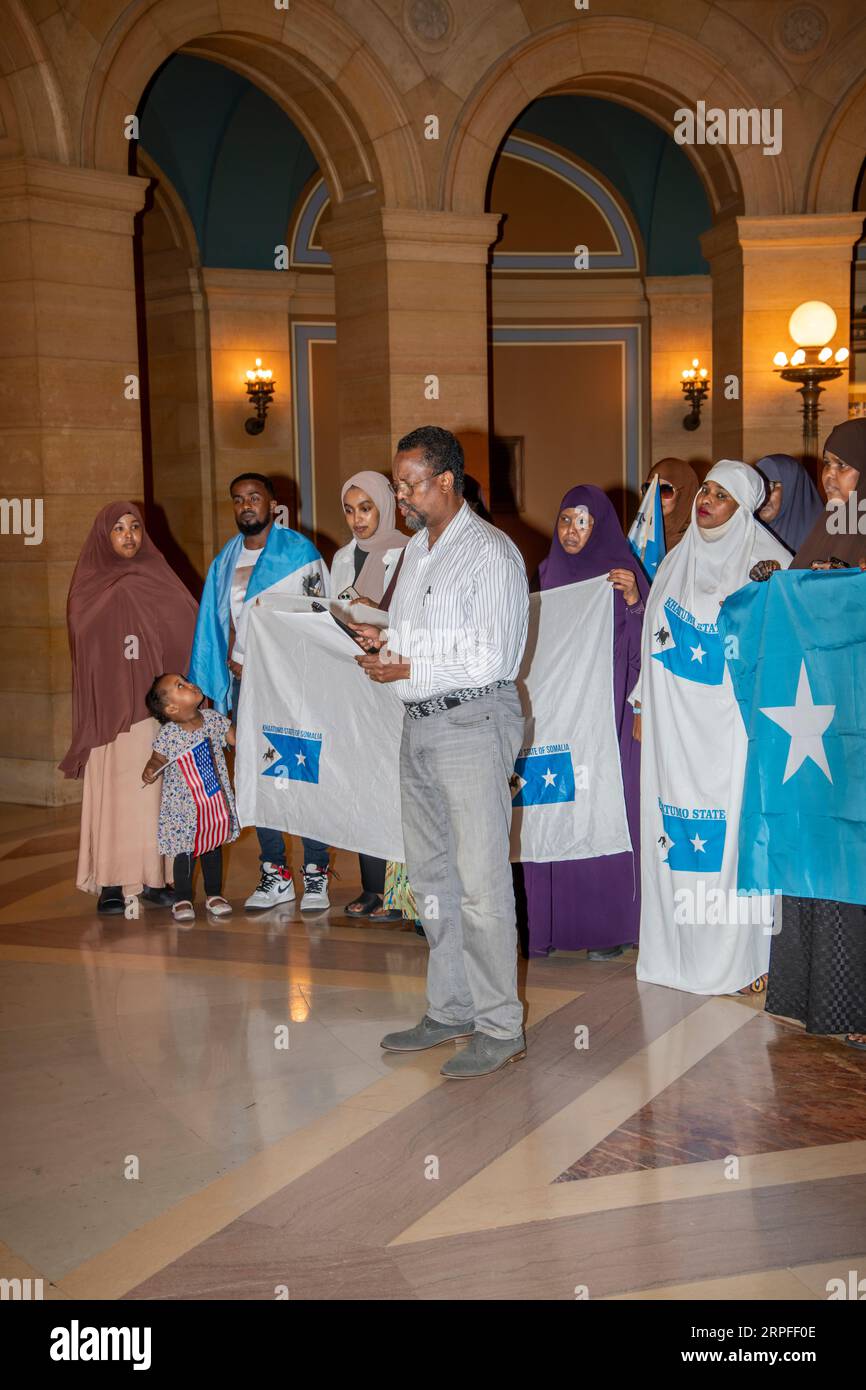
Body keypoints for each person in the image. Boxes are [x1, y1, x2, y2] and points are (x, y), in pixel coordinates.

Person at [350, 425, 529, 1079]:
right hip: (419, 728)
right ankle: (450, 1008)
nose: (400, 496)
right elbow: (424, 639)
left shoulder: (491, 552)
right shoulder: (419, 553)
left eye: (410, 484)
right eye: (397, 484)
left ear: (447, 482)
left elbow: (494, 656)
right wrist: (383, 641)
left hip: (471, 724)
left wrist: (407, 668)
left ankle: (499, 1025)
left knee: (480, 886)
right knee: (431, 882)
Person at [633, 461, 791, 995]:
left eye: (721, 495)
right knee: (677, 837)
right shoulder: (677, 562)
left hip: (734, 732)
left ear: (742, 508)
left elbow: (785, 653)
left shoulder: (771, 565)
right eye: (705, 489)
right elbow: (651, 643)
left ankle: (748, 955)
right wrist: (640, 705)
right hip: (675, 733)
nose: (706, 500)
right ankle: (677, 952)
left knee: (735, 840)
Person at [757, 421, 866, 1049]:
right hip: (819, 729)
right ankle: (810, 991)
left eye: (843, 467)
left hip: (856, 727)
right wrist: (785, 583)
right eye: (825, 465)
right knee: (818, 849)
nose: (830, 478)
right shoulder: (829, 528)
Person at [189, 474, 332, 911]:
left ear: (273, 504)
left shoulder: (300, 554)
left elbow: (318, 619)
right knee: (258, 774)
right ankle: (276, 873)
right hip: (244, 685)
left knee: (301, 770)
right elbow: (216, 626)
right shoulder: (224, 562)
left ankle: (317, 872)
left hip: (292, 684)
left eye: (254, 498)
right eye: (238, 500)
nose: (246, 506)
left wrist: (270, 661)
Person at [523, 486, 648, 959]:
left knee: (603, 809)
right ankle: (550, 925)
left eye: (583, 521)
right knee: (552, 807)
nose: (571, 530)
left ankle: (606, 928)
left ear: (601, 527)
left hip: (608, 711)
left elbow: (649, 645)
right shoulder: (546, 573)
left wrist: (635, 600)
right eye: (565, 519)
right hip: (557, 712)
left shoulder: (623, 575)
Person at [60, 501, 198, 913]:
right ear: (104, 536)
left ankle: (156, 879)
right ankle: (112, 882)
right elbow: (82, 642)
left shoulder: (158, 576)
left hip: (152, 711)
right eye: (118, 528)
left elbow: (188, 619)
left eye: (135, 527)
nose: (128, 535)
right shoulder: (89, 585)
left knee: (156, 795)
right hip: (111, 713)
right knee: (115, 796)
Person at [330, 471, 408, 921]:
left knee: (394, 783)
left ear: (385, 505)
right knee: (363, 781)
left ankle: (401, 892)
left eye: (366, 508)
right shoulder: (342, 557)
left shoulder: (407, 550)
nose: (357, 519)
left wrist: (373, 615)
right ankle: (372, 887)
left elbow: (412, 613)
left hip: (394, 677)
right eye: (349, 509)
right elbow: (332, 609)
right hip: (354, 679)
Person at [142, 674, 238, 924]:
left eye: (185, 680)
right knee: (185, 853)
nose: (191, 684)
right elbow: (158, 758)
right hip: (183, 807)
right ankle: (183, 897)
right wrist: (151, 768)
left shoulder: (213, 719)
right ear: (172, 708)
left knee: (213, 847)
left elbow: (235, 738)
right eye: (180, 686)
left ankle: (214, 894)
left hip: (213, 801)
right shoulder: (169, 733)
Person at [754, 453, 823, 554]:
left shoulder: (823, 539)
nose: (762, 496)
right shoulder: (747, 533)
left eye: (771, 485)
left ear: (793, 489)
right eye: (759, 487)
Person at [643, 458, 700, 550]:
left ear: (685, 495)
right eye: (649, 488)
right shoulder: (638, 535)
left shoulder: (695, 546)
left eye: (665, 490)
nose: (655, 497)